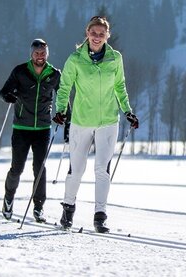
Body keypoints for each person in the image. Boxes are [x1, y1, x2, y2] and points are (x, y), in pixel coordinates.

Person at [53, 16, 140, 233]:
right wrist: (61, 110)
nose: (97, 37)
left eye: (102, 34)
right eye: (94, 33)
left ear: (107, 36)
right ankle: (68, 209)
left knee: (102, 169)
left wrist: (127, 111)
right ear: (87, 33)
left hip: (108, 121)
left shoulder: (115, 58)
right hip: (81, 121)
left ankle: (100, 216)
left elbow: (120, 86)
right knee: (77, 170)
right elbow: (65, 87)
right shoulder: (75, 59)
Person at [0, 38, 60, 223]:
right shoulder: (20, 71)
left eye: (43, 53)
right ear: (31, 54)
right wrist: (9, 97)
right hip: (21, 128)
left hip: (42, 128)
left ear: (47, 54)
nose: (40, 56)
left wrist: (65, 114)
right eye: (36, 53)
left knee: (39, 169)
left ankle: (39, 207)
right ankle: (8, 199)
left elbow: (63, 96)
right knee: (17, 168)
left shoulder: (54, 74)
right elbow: (3, 92)